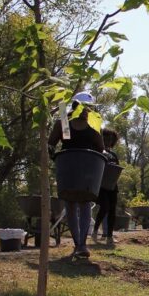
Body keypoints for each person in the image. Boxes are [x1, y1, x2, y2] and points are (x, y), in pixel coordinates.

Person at [48, 91, 104, 258]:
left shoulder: (93, 124)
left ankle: (82, 244)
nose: (85, 110)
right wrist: (51, 153)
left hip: (86, 168)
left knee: (84, 203)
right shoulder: (64, 122)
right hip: (69, 166)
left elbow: (100, 147)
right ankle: (78, 244)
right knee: (71, 204)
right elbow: (51, 143)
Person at [92, 129, 120, 245]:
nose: (108, 141)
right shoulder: (98, 153)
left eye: (110, 139)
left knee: (112, 210)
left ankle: (109, 236)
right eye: (106, 138)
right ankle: (95, 231)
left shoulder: (114, 155)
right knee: (105, 206)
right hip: (101, 185)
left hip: (112, 185)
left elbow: (117, 170)